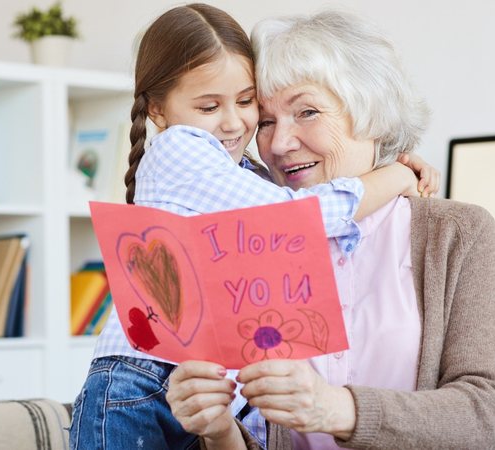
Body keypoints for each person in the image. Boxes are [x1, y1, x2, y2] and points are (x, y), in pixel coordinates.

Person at [68, 4, 439, 450]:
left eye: (246, 103)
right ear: (158, 110)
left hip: (197, 388)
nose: (233, 121)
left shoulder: (239, 172)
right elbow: (297, 217)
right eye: (209, 106)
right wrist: (394, 176)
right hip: (143, 383)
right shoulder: (179, 150)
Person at [165, 10, 495, 450]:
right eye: (267, 121)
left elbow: (480, 419)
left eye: (307, 111)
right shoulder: (248, 239)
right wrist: (218, 430)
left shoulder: (458, 234)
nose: (278, 144)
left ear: (371, 110)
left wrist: (333, 409)